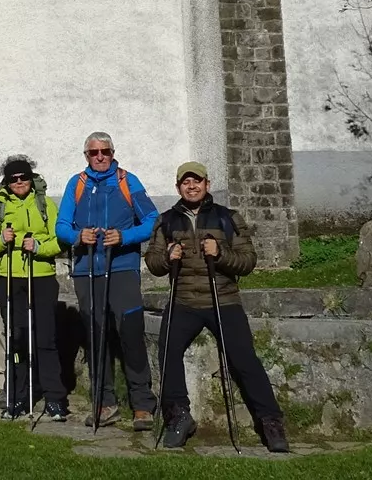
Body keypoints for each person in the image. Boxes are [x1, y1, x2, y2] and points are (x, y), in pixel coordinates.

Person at [145, 162, 289, 452]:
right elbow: (153, 263)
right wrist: (168, 257)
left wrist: (220, 254)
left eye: (196, 181)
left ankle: (271, 422)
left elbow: (248, 261)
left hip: (223, 300)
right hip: (183, 300)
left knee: (244, 358)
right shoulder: (166, 221)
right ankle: (178, 416)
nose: (192, 186)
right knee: (167, 351)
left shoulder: (228, 218)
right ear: (178, 188)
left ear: (207, 184)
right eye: (185, 182)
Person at [55, 131, 161, 431]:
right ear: (86, 155)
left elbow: (153, 220)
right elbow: (61, 225)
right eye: (93, 152)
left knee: (130, 333)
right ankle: (105, 403)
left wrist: (125, 237)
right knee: (95, 337)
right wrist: (78, 236)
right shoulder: (76, 184)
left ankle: (142, 404)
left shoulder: (129, 181)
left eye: (105, 151)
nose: (100, 157)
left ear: (113, 153)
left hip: (122, 268)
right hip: (87, 270)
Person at [0, 156, 69, 422]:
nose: (19, 182)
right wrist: (2, 240)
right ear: (7, 182)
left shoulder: (45, 204)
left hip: (41, 276)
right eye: (13, 179)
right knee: (17, 338)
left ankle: (55, 398)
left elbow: (62, 239)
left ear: (31, 178)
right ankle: (18, 396)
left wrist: (39, 247)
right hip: (9, 277)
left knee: (45, 338)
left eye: (23, 177)